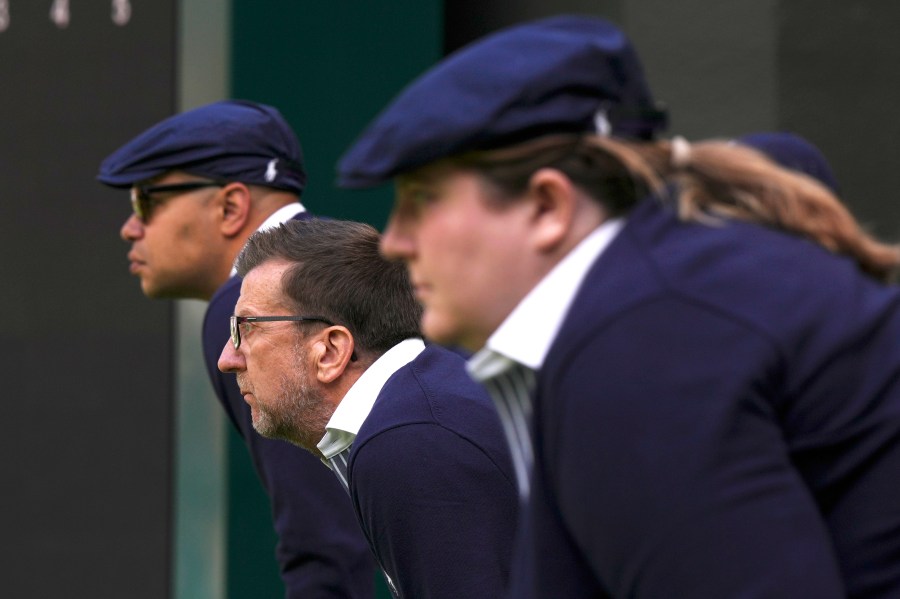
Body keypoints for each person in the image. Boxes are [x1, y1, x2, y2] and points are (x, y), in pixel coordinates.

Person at [336, 14, 900, 599]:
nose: (395, 241)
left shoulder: (645, 346)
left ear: (547, 206)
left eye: (421, 200)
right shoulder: (650, 304)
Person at [97, 100, 376, 598]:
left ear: (230, 207)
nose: (130, 227)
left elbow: (325, 544)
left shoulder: (251, 301)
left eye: (147, 201)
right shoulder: (339, 268)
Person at [217, 218, 519, 599]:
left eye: (246, 328)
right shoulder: (418, 412)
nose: (227, 358)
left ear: (330, 351)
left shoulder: (411, 440)